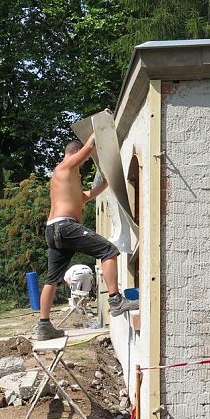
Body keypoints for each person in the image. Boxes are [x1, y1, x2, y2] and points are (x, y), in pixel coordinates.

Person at [38, 134, 138, 340]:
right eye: (80, 160)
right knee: (109, 251)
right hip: (65, 226)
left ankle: (44, 326)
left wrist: (105, 181)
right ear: (74, 153)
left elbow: (85, 197)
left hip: (54, 230)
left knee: (52, 279)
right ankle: (116, 301)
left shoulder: (67, 179)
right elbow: (87, 149)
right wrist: (97, 129)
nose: (82, 166)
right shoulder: (65, 167)